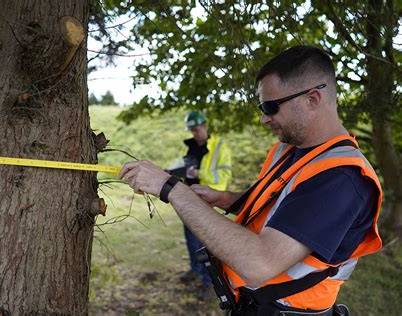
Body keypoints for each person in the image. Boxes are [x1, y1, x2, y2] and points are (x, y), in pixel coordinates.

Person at [120, 45, 382, 315]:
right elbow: (284, 211)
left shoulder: (341, 178)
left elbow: (259, 264)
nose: (263, 118)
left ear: (312, 99)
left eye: (271, 107)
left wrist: (171, 189)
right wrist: (228, 200)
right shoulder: (293, 150)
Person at [177, 111, 232, 299]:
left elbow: (223, 175)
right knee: (191, 239)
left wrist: (199, 173)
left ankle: (210, 284)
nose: (195, 132)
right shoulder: (190, 146)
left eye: (197, 128)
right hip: (189, 198)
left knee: (206, 243)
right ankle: (195, 271)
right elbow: (186, 170)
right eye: (192, 129)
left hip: (210, 200)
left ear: (205, 125)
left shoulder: (219, 146)